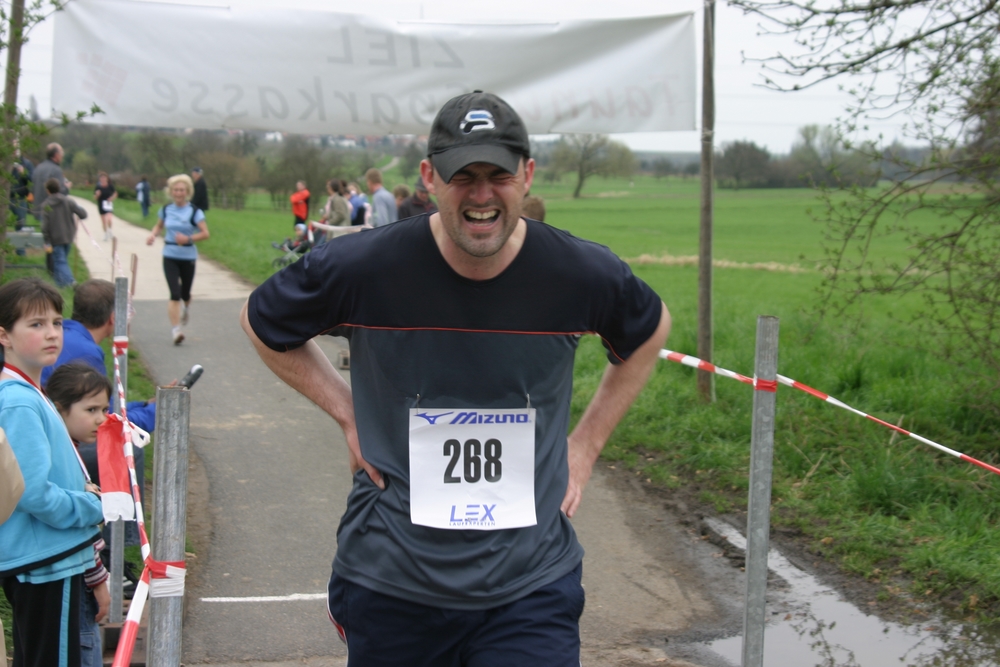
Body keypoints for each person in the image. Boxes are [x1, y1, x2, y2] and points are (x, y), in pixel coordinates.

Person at [241, 91, 670, 666]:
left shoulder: (578, 273)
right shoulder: (366, 267)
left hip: (530, 588)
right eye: (463, 176)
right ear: (429, 178)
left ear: (527, 175)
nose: (482, 195)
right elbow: (262, 321)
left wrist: (586, 445)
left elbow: (650, 330)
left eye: (499, 176)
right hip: (391, 580)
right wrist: (347, 412)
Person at [0, 278, 104, 667]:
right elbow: (31, 492)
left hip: (45, 558)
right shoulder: (18, 402)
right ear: (4, 336)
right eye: (36, 324)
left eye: (57, 323)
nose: (51, 334)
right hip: (43, 562)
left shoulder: (29, 393)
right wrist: (90, 506)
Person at [46, 363, 114, 667]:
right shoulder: (65, 459)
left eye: (104, 409)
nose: (101, 419)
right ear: (60, 409)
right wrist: (99, 581)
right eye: (91, 410)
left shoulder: (64, 449)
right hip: (76, 581)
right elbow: (80, 530)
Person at [146, 174, 211, 346]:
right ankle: (176, 331)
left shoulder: (195, 212)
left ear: (187, 192)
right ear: (171, 191)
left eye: (182, 190)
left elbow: (205, 233)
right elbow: (159, 225)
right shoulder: (166, 209)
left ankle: (186, 306)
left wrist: (188, 239)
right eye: (175, 190)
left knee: (185, 294)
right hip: (170, 255)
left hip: (188, 256)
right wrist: (153, 235)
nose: (178, 193)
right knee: (174, 294)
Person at [41, 177, 88, 288]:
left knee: (60, 262)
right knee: (60, 262)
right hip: (69, 236)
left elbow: (45, 226)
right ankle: (60, 286)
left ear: (47, 190)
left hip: (55, 239)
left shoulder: (46, 205)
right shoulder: (68, 201)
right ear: (59, 188)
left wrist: (46, 240)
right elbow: (83, 214)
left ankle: (71, 282)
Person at [32, 143, 72, 221]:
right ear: (56, 155)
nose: (62, 156)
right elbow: (59, 193)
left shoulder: (38, 167)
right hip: (51, 211)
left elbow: (32, 188)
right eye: (62, 153)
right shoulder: (56, 170)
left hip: (38, 209)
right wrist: (67, 188)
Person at [10, 142, 34, 231]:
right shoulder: (4, 163)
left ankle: (19, 239)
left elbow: (32, 180)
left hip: (20, 198)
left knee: (21, 224)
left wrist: (24, 173)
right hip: (5, 198)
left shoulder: (26, 164)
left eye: (15, 149)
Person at [94, 172, 117, 241]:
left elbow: (115, 193)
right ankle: (105, 233)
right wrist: (97, 195)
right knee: (103, 221)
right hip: (101, 204)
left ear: (107, 179)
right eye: (101, 178)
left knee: (109, 219)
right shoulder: (98, 187)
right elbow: (95, 198)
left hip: (108, 204)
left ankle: (110, 230)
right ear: (100, 179)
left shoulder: (110, 186)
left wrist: (112, 198)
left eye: (104, 178)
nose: (103, 179)